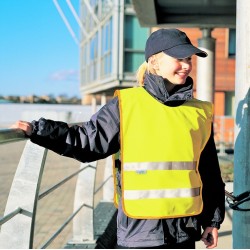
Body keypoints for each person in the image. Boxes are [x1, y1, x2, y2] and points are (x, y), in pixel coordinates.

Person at [12, 28, 225, 249]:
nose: (186, 65)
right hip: (139, 233)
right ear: (155, 62)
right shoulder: (126, 104)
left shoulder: (199, 111)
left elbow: (209, 170)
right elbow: (89, 142)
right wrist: (40, 130)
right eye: (179, 58)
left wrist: (212, 221)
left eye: (188, 58)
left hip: (183, 232)